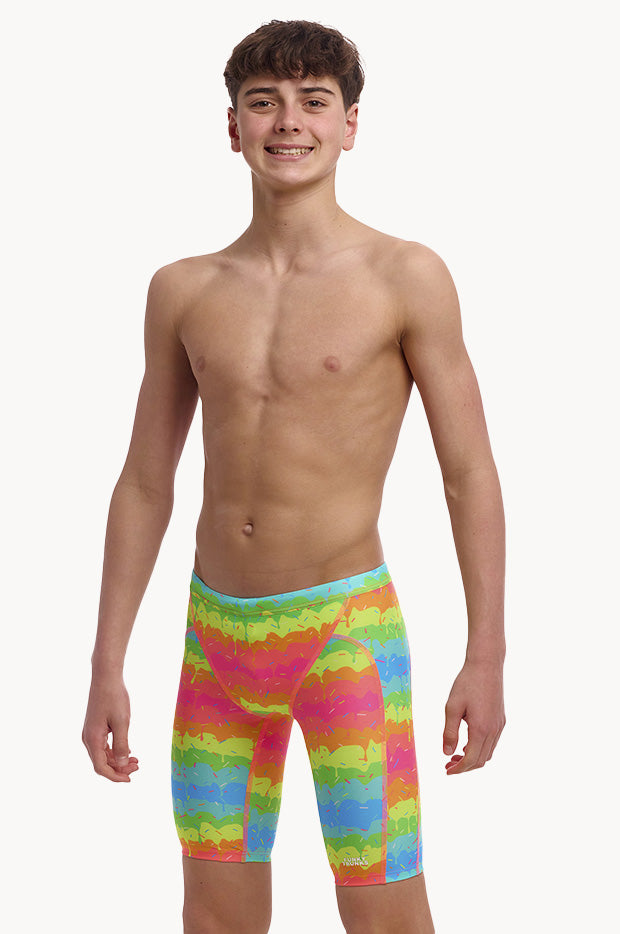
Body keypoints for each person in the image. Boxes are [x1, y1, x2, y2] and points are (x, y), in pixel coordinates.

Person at [82, 18, 506, 934]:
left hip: (345, 639)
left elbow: (469, 473)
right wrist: (106, 662)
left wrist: (487, 655)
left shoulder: (405, 276)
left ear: (350, 125)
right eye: (263, 102)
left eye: (314, 102)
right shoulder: (183, 289)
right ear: (231, 126)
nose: (288, 122)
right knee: (214, 917)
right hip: (214, 644)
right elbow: (145, 483)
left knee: (384, 913)